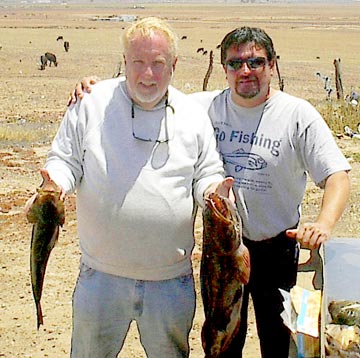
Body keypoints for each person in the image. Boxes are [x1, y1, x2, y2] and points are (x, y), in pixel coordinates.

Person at [69, 26, 351, 357]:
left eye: (256, 62)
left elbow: (337, 176)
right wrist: (93, 89)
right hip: (222, 250)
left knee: (278, 340)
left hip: (275, 248)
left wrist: (324, 225)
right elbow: (149, 89)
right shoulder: (203, 108)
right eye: (235, 63)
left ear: (272, 65)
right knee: (221, 338)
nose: (245, 71)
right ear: (224, 69)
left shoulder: (297, 115)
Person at [26, 17, 234, 358]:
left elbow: (207, 171)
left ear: (174, 65)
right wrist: (55, 183)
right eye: (138, 63)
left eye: (158, 64)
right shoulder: (92, 103)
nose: (147, 75)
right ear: (125, 62)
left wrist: (215, 192)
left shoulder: (193, 115)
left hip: (170, 282)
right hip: (100, 279)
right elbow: (65, 160)